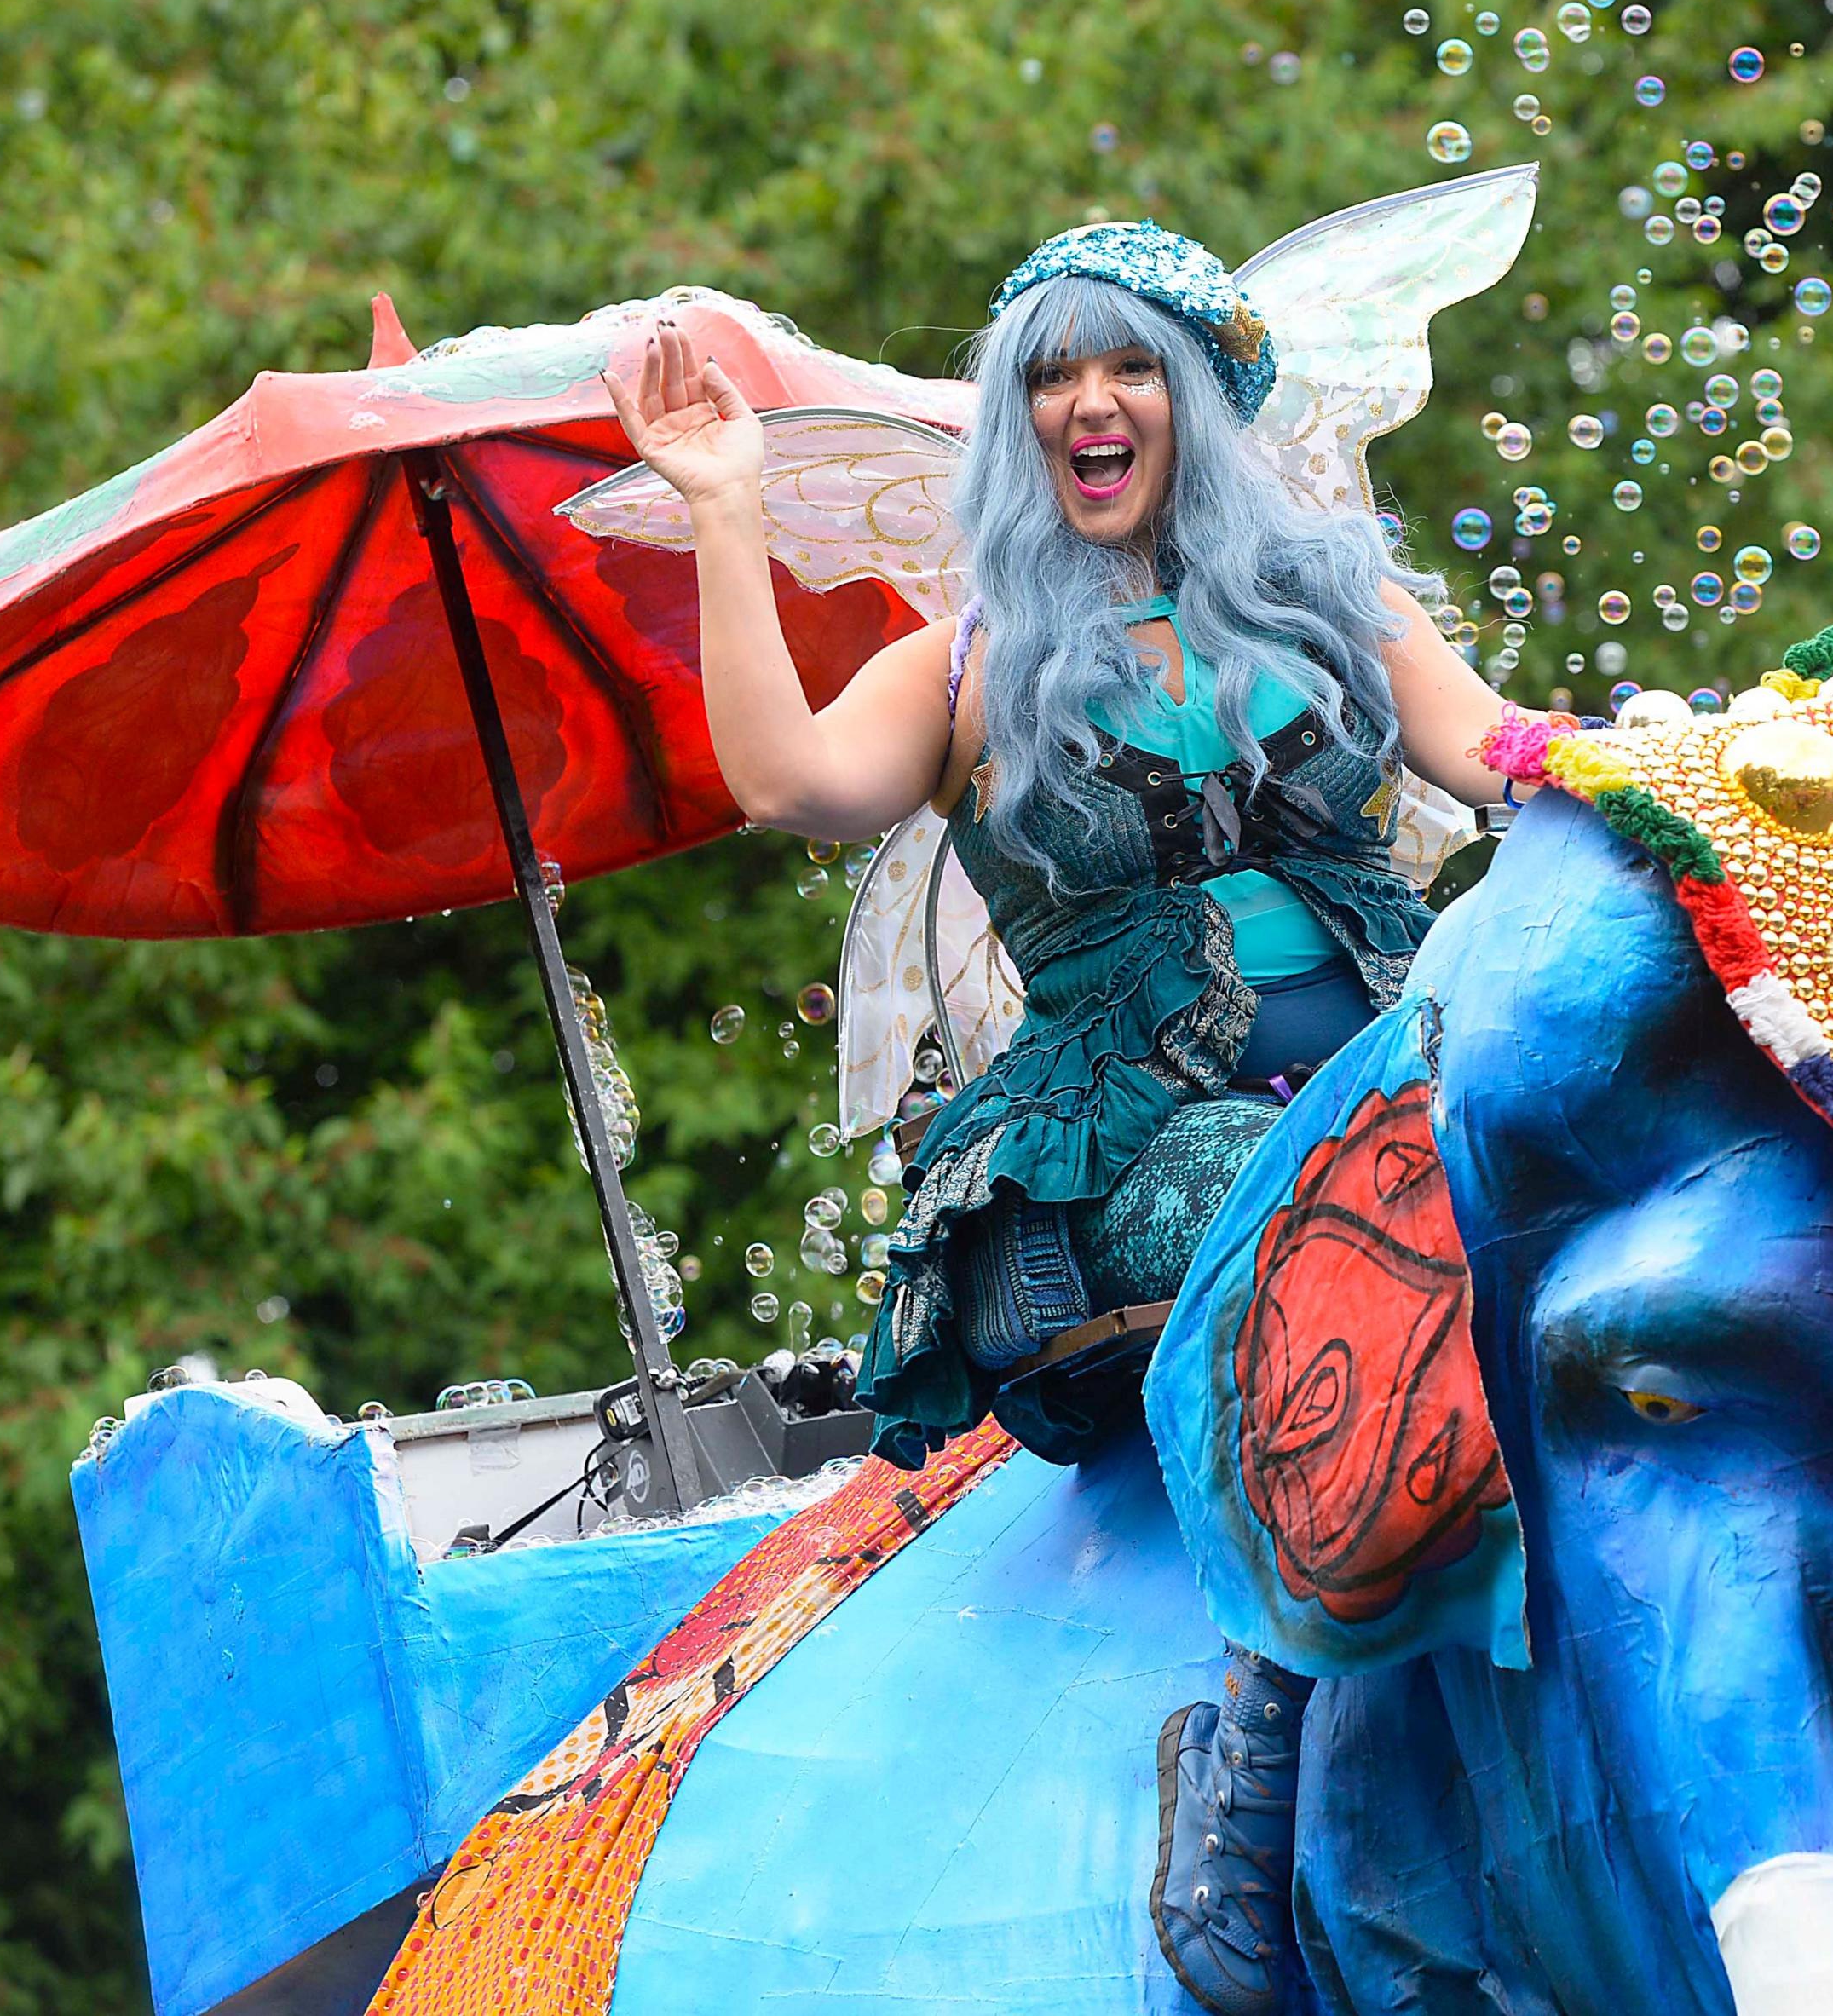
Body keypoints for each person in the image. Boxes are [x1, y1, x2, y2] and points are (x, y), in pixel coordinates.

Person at [605, 221, 1519, 2016]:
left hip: (1408, 1075)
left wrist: (1722, 766)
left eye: (1120, 370)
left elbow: (1498, 753)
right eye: (1044, 375)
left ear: (1190, 403)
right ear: (1017, 425)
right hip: (1130, 1148)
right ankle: (1248, 1773)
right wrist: (720, 505)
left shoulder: (1347, 604)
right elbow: (791, 782)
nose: (1084, 403)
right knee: (1317, 1221)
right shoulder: (962, 669)